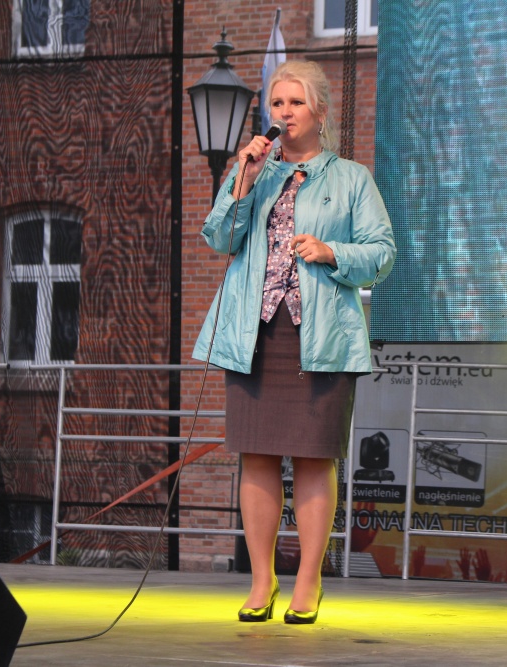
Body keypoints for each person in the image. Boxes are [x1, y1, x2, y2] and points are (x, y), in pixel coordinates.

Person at [192, 60, 396, 624]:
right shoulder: (256, 173)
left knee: (312, 458)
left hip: (321, 335)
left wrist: (333, 253)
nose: (284, 112)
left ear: (320, 112)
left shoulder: (351, 178)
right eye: (277, 103)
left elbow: (382, 254)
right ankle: (262, 580)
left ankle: (308, 580)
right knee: (256, 456)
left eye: (295, 102)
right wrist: (244, 179)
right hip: (253, 335)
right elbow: (219, 238)